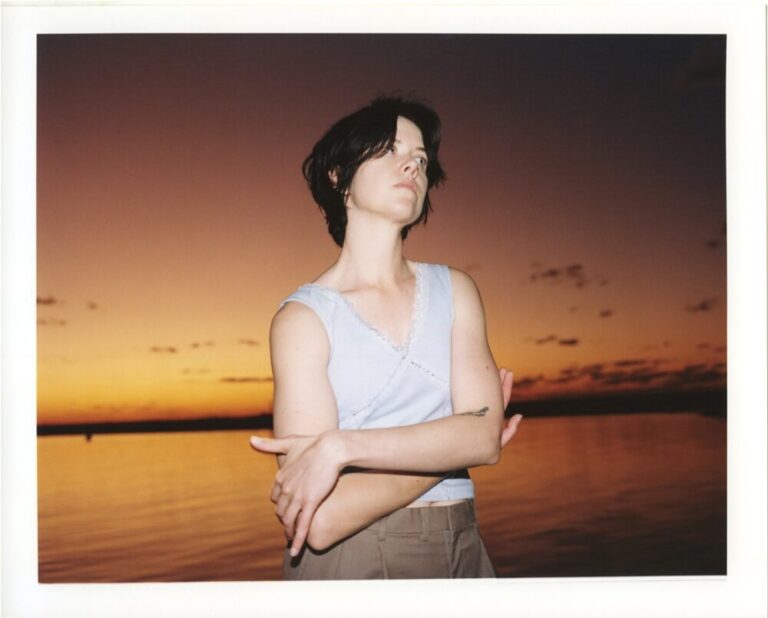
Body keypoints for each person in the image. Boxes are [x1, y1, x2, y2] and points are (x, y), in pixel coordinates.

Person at [250, 95, 523, 579]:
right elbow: (322, 521)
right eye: (391, 150)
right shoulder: (303, 320)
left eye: (421, 159)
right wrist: (454, 446)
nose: (413, 166)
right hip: (351, 560)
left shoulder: (456, 290)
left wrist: (342, 448)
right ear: (339, 175)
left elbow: (483, 438)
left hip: (464, 546)